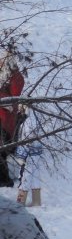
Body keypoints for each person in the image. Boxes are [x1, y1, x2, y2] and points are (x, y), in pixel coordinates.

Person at [0, 49, 25, 187]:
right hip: (3, 118)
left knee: (2, 150)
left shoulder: (16, 77)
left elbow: (14, 97)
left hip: (4, 120)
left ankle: (3, 179)